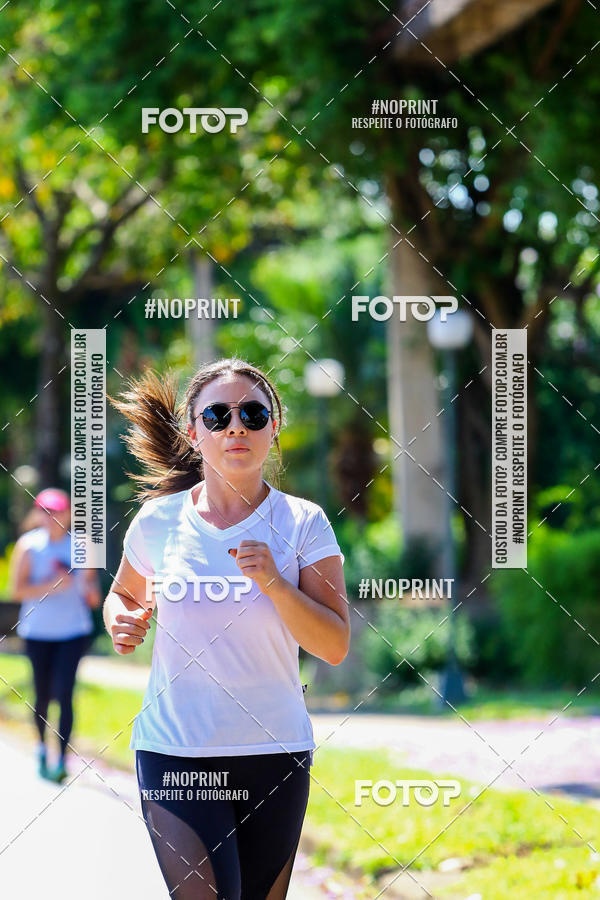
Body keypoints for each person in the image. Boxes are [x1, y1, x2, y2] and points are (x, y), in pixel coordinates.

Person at [103, 358, 350, 900]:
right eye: (217, 415)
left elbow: (333, 645)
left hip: (274, 750)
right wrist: (120, 619)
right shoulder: (158, 521)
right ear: (194, 434)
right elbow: (123, 594)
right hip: (176, 751)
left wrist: (277, 585)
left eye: (252, 413)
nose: (236, 426)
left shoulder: (303, 522)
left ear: (273, 427)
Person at [10, 488, 101, 782]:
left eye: (58, 511)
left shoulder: (82, 545)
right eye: (46, 511)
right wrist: (50, 585)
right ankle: (40, 749)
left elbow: (93, 594)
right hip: (37, 632)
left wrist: (88, 591)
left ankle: (61, 759)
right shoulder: (28, 546)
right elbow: (17, 591)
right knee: (42, 693)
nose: (52, 517)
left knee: (65, 693)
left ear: (69, 514)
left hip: (73, 632)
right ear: (37, 514)